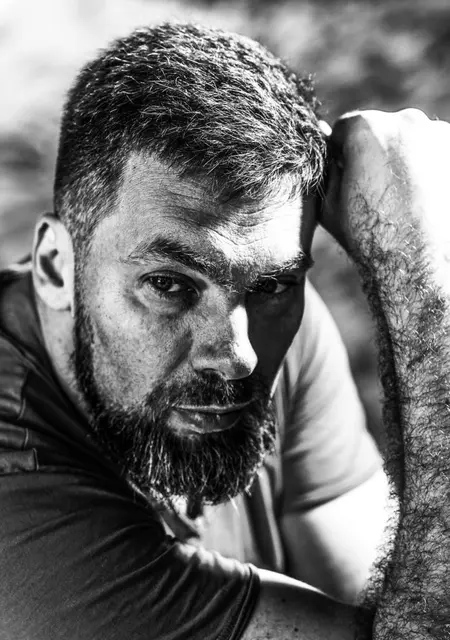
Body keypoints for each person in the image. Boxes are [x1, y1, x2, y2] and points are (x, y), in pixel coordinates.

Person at [0, 22, 447, 640]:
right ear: (56, 265)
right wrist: (421, 275)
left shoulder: (268, 314)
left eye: (272, 284)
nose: (237, 355)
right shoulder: (19, 527)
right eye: (169, 285)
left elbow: (403, 597)